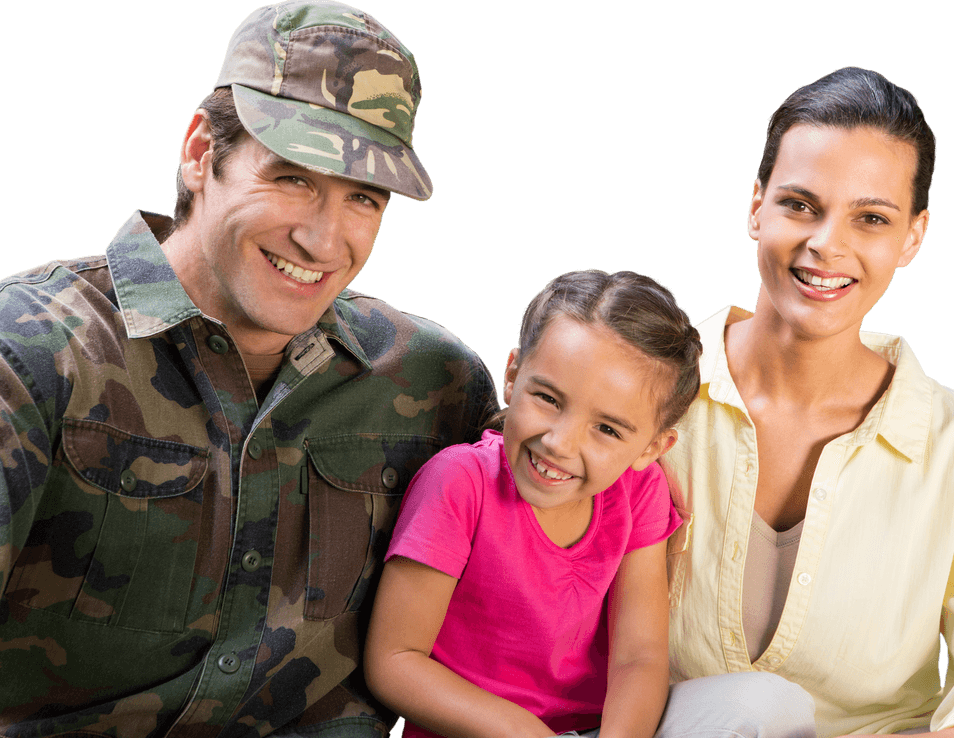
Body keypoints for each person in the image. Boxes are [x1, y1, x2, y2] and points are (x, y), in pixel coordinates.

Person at [0, 2, 496, 736]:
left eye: (363, 197)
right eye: (293, 178)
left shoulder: (435, 382)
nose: (323, 237)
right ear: (201, 152)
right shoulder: (34, 353)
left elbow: (579, 550)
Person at [663, 67, 954, 737]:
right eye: (800, 204)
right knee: (752, 708)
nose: (828, 244)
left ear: (912, 237)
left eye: (872, 218)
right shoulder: (649, 393)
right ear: (755, 207)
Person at [364, 270, 816, 738]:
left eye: (607, 429)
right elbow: (395, 661)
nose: (559, 443)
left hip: (605, 730)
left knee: (771, 705)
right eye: (547, 398)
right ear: (514, 375)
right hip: (484, 732)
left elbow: (638, 658)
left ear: (650, 449)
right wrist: (522, 732)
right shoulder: (459, 482)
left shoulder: (640, 492)